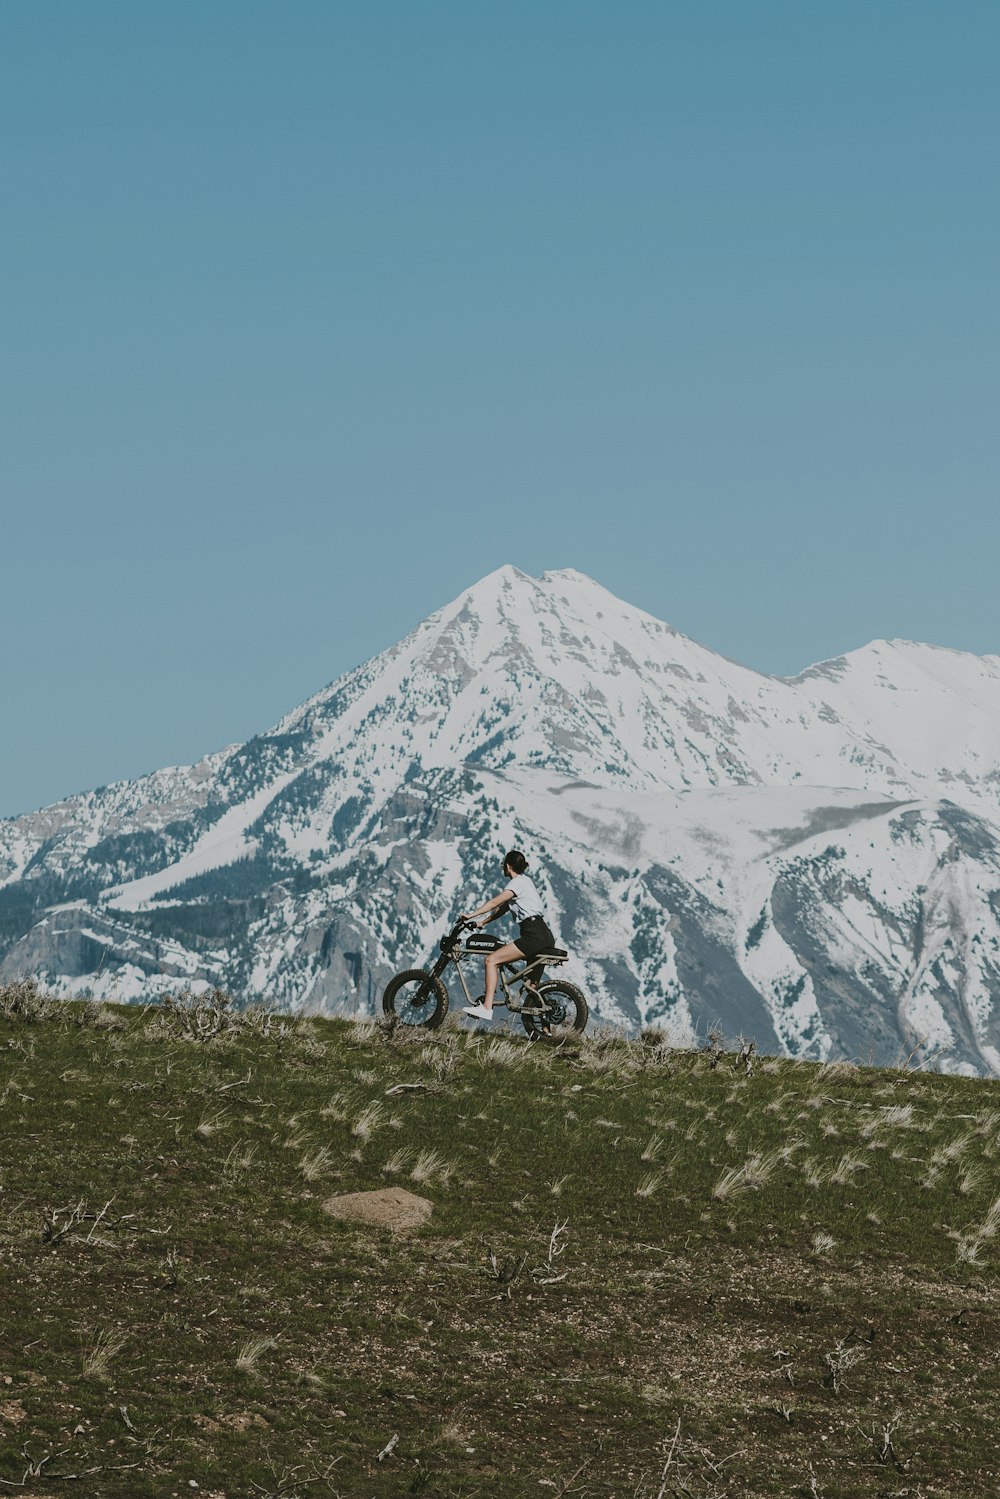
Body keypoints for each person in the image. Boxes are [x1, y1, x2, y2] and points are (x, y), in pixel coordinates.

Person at [459, 850, 557, 1021]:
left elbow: (495, 902)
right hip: (545, 934)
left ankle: (487, 1008)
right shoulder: (526, 882)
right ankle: (545, 1028)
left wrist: (471, 915)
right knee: (532, 986)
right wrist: (483, 922)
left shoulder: (516, 883)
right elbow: (503, 908)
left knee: (491, 960)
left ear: (507, 866)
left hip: (533, 934)